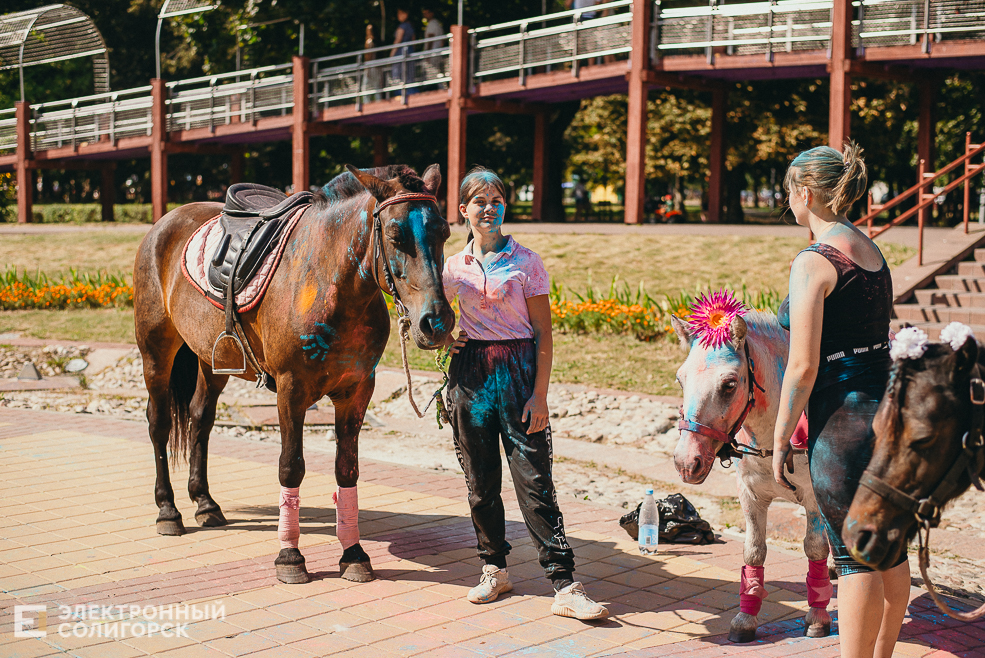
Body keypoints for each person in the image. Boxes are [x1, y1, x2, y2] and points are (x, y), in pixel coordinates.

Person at [442, 166, 609, 621]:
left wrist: (540, 395)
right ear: (463, 211)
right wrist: (444, 340)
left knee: (535, 482)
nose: (489, 208)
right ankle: (493, 568)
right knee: (480, 482)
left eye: (496, 200)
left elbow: (543, 334)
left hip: (518, 373)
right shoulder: (453, 267)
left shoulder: (527, 262)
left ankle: (564, 584)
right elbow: (428, 316)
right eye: (479, 201)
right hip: (470, 377)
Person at [772, 143, 909, 658]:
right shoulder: (868, 248)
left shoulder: (814, 260)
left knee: (854, 560)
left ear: (805, 192)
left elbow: (803, 366)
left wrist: (782, 437)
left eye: (790, 193)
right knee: (888, 548)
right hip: (888, 414)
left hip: (843, 425)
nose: (790, 203)